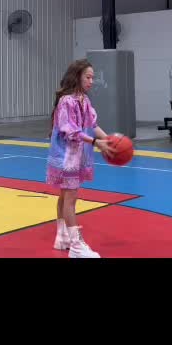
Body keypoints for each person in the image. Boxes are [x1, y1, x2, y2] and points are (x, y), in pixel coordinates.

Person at [47, 59, 114, 259]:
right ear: (77, 77)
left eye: (93, 78)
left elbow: (92, 124)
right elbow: (72, 132)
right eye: (88, 77)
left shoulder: (84, 100)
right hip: (66, 156)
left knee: (64, 196)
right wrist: (96, 143)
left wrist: (109, 140)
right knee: (70, 198)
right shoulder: (67, 101)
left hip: (75, 155)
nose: (91, 81)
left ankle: (62, 237)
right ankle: (76, 246)